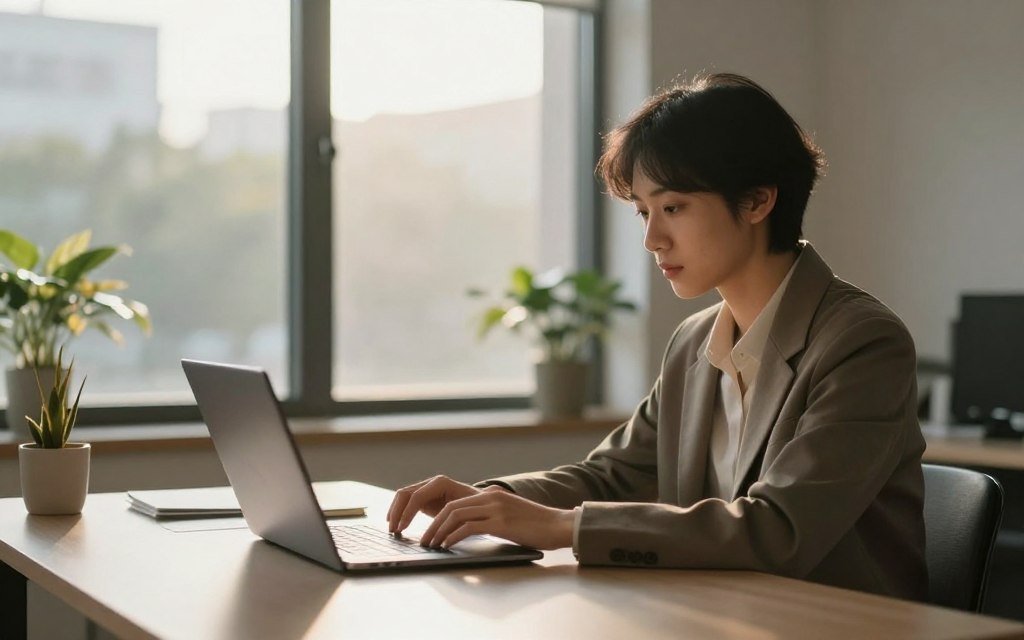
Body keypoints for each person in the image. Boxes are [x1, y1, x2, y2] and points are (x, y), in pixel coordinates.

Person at [386, 73, 928, 601]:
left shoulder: (862, 342)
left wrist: (561, 528)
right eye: (643, 212)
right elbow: (610, 476)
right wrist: (489, 499)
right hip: (714, 612)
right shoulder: (693, 343)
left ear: (759, 201)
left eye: (672, 208)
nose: (651, 238)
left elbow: (778, 529)